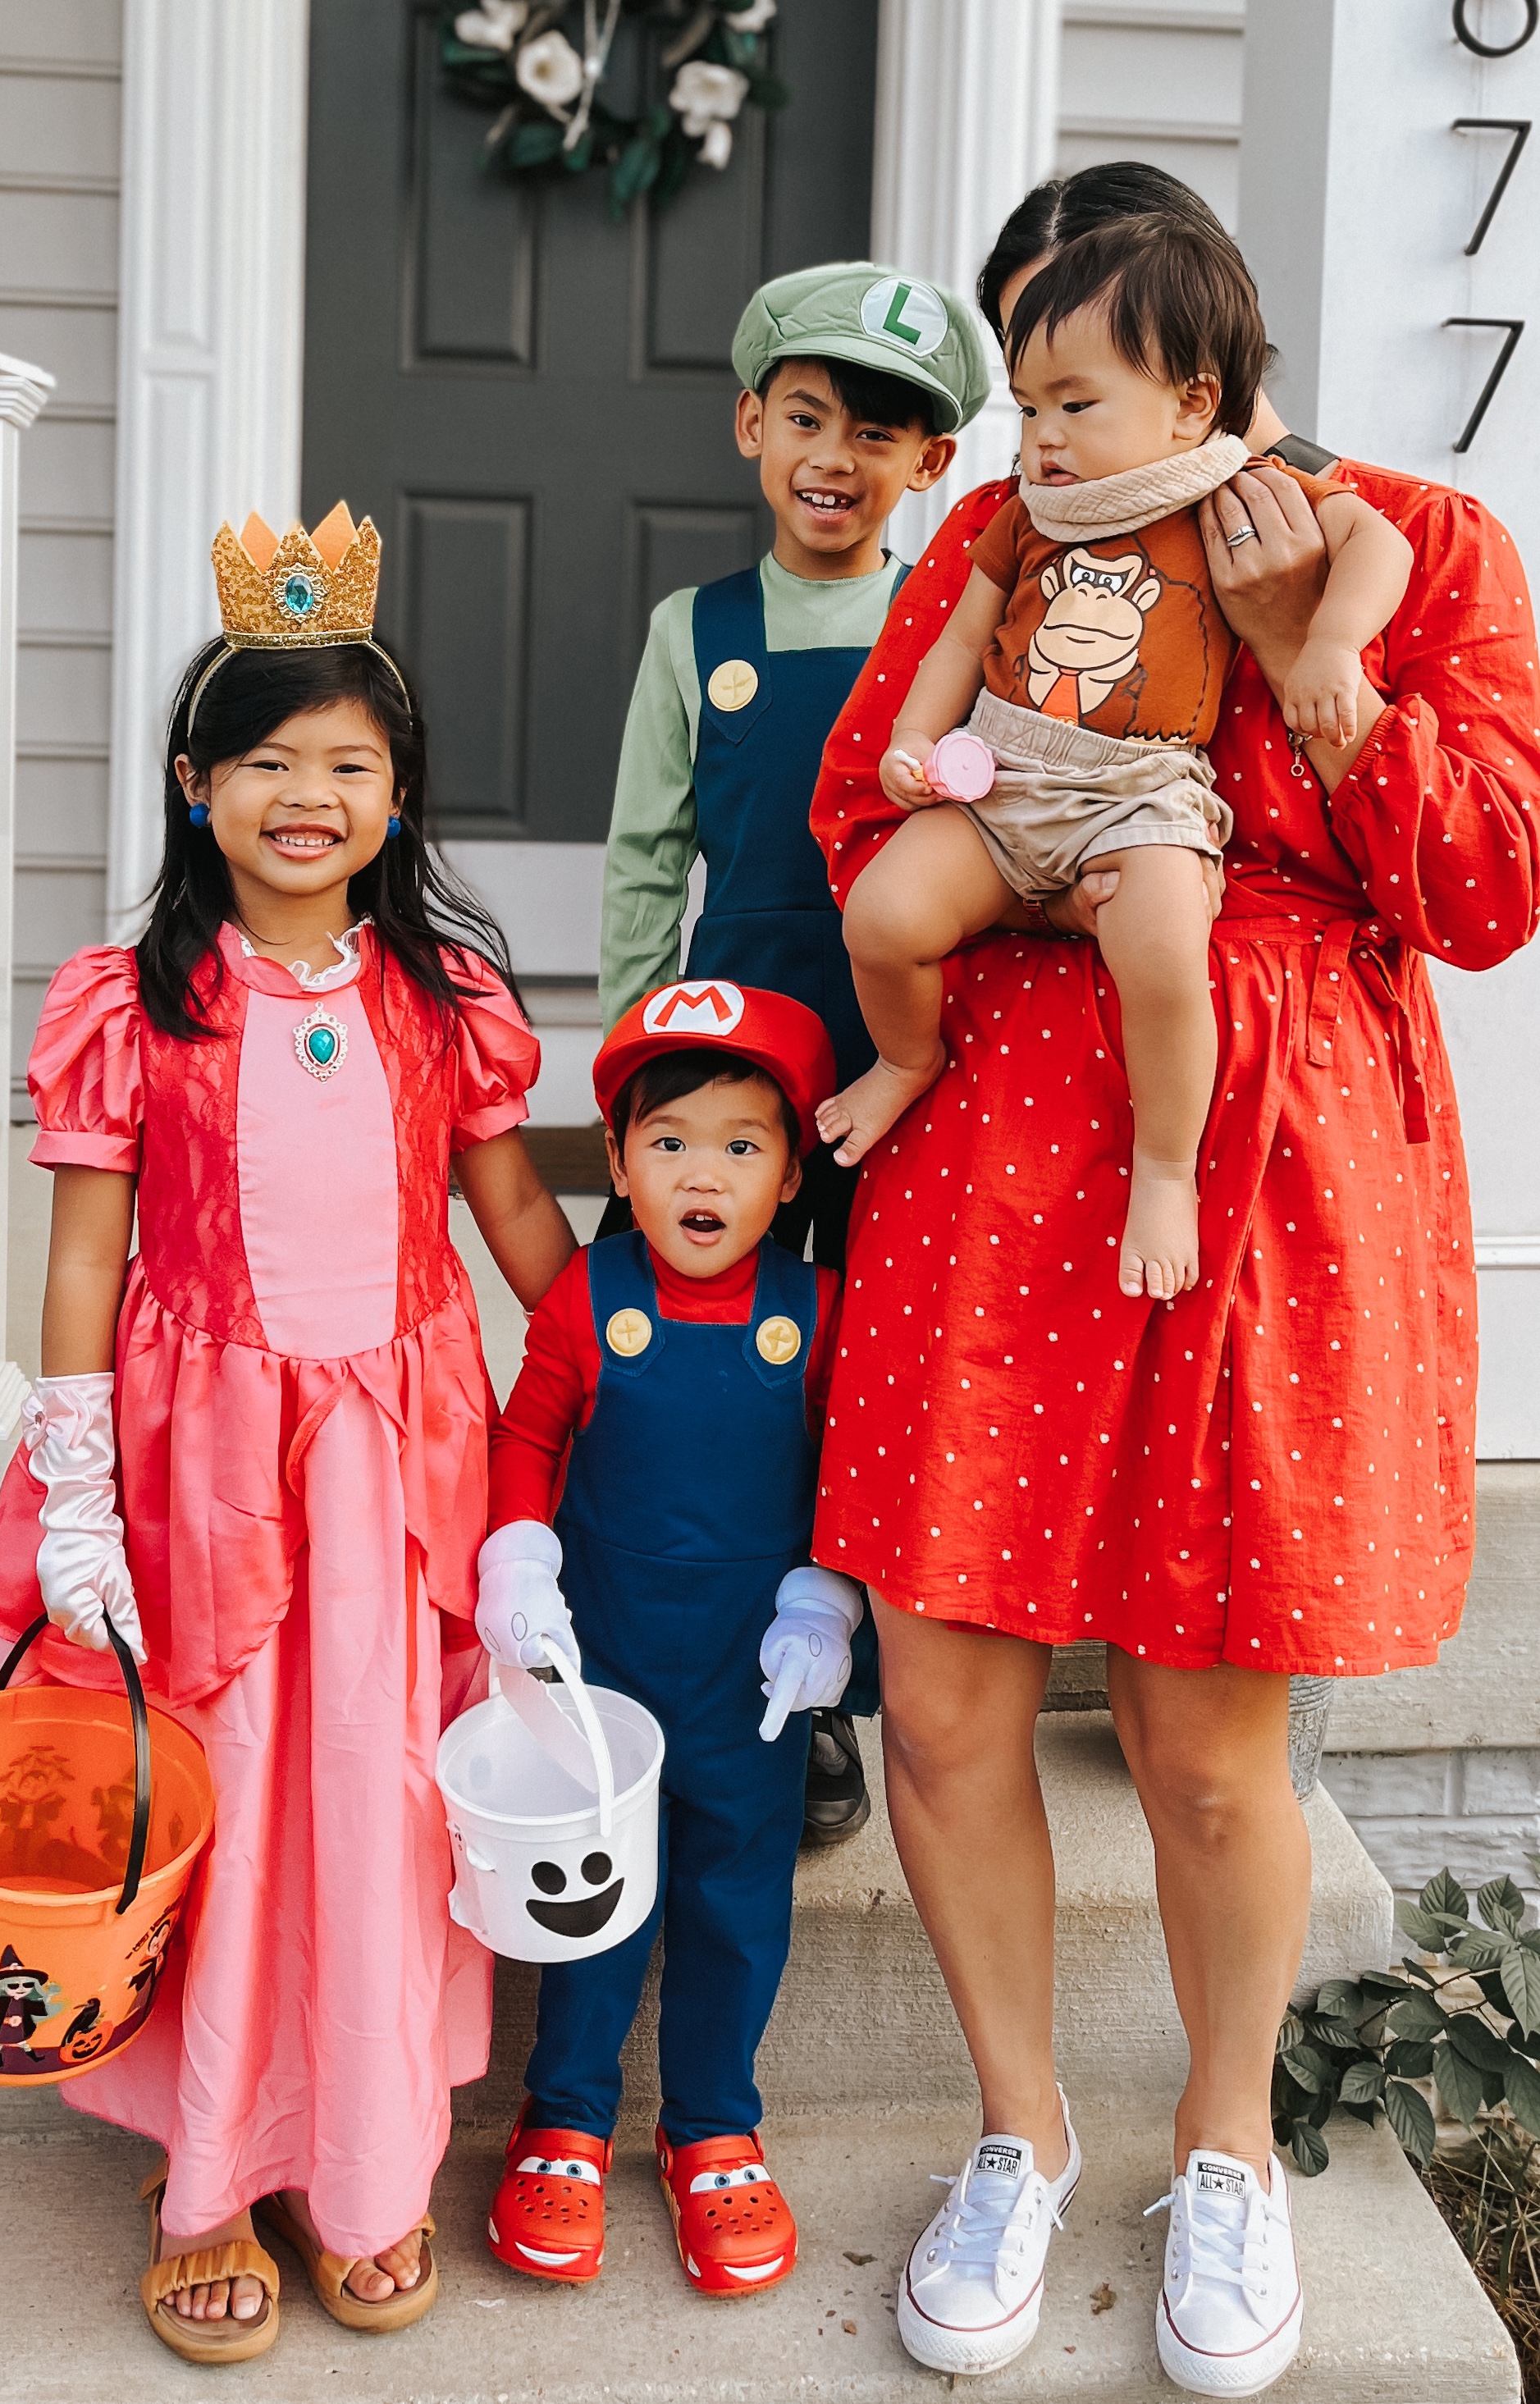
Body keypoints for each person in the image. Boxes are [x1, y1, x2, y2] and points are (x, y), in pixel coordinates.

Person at [804, 162, 1540, 2395]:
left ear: (1192, 367)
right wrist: (1061, 854)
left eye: (1072, 367)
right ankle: (1017, 2130)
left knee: (1205, 1740)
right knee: (943, 1703)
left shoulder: (1420, 541)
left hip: (1270, 1177)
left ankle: (1221, 2144)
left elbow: (1482, 889)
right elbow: (864, 808)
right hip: (990, 1163)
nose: (1035, 417)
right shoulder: (1004, 528)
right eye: (1020, 373)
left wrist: (1319, 669)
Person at [0, 504, 578, 2364]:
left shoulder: (439, 999)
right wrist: (77, 1489)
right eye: (266, 761)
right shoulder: (136, 1003)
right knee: (235, 1792)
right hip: (204, 1471)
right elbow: (82, 1257)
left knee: (374, 1795)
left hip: (392, 1471)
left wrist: (612, 1361)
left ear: (398, 795)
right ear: (196, 786)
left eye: (348, 764)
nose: (306, 796)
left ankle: (361, 2160)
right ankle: (215, 2177)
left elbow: (509, 1211)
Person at [819, 214, 1414, 1309]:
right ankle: (905, 1059)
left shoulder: (1229, 488)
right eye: (1028, 408)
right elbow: (956, 642)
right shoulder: (1024, 516)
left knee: (1165, 959)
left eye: (1076, 405)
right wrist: (912, 741)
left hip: (1139, 791)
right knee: (884, 916)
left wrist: (1331, 645)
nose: (1044, 436)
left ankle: (1166, 1171)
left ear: (1191, 402)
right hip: (1006, 775)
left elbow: (1381, 541)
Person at [598, 259, 990, 1844]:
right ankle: (691, 1640)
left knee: (871, 1358)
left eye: (877, 434)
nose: (836, 457)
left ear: (930, 464)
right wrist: (636, 1062)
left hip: (914, 1054)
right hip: (742, 1056)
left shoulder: (949, 624)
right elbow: (646, 855)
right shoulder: (693, 631)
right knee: (728, 1347)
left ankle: (841, 1675)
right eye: (808, 418)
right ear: (751, 425)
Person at [474, 983, 863, 2297]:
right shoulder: (586, 1298)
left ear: (790, 1170)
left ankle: (711, 2123)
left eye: (742, 1144)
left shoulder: (818, 1311)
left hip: (750, 1681)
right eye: (670, 1141)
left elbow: (850, 1472)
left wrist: (824, 1600)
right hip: (604, 1668)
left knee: (735, 1898)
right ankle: (564, 2112)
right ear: (620, 1161)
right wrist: (517, 1561)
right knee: (590, 1896)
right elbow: (528, 1435)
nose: (704, 1173)